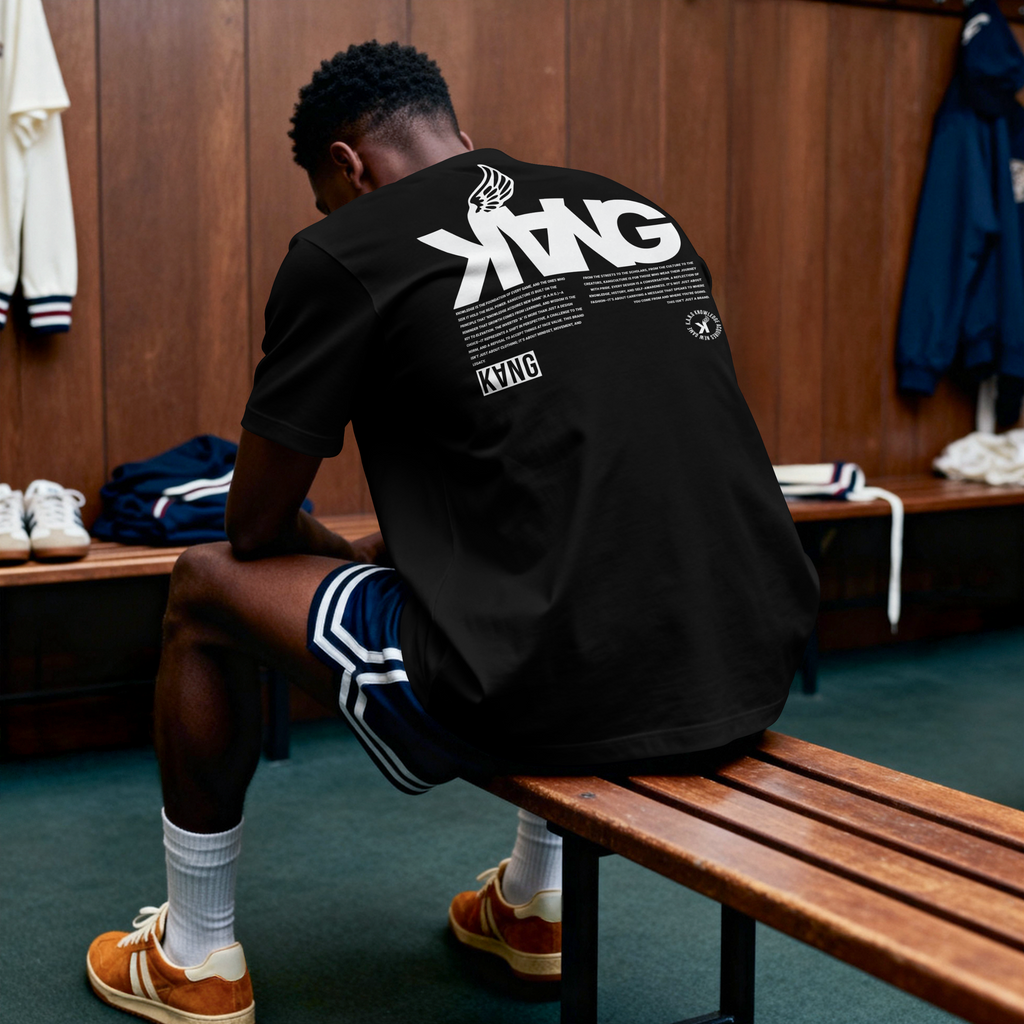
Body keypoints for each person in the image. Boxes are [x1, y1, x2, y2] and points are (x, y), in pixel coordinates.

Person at [85, 41, 819, 1024]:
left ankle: (194, 953)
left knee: (204, 584)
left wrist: (333, 559)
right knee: (516, 570)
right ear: (460, 136)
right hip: (746, 658)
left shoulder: (350, 246)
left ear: (347, 167)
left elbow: (253, 526)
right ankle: (532, 904)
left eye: (323, 198)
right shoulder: (630, 208)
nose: (328, 219)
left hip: (560, 686)